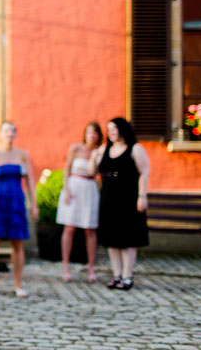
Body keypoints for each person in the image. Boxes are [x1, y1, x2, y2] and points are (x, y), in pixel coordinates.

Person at [0, 121, 38, 298]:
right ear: (0, 133)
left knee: (17, 244)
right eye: (6, 131)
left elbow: (30, 181)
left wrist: (34, 204)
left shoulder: (22, 154)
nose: (9, 134)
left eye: (12, 131)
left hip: (16, 202)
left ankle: (18, 284)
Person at [90, 117, 150, 291]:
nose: (111, 132)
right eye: (108, 130)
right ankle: (116, 275)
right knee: (111, 238)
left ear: (122, 129)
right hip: (109, 198)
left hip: (128, 197)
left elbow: (144, 171)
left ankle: (127, 275)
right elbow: (93, 172)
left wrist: (142, 195)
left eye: (114, 129)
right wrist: (94, 157)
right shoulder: (105, 149)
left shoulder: (135, 149)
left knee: (128, 238)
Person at [56, 121, 102, 282]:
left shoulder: (99, 152)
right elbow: (67, 169)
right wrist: (66, 190)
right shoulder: (75, 148)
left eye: (95, 133)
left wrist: (95, 157)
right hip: (74, 186)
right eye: (89, 132)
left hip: (89, 188)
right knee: (69, 228)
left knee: (90, 229)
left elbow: (94, 172)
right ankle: (66, 265)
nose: (92, 135)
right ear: (85, 134)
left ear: (98, 136)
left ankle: (91, 267)